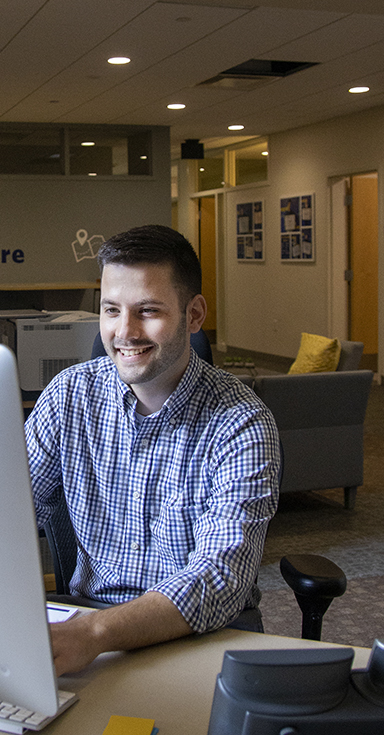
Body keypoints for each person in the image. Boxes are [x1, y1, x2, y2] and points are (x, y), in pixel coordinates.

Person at [25, 225, 280, 676]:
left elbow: (219, 579)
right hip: (85, 619)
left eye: (148, 311)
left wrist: (97, 634)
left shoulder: (241, 423)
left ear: (194, 314)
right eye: (110, 310)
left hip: (201, 633)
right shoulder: (70, 396)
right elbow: (3, 507)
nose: (124, 332)